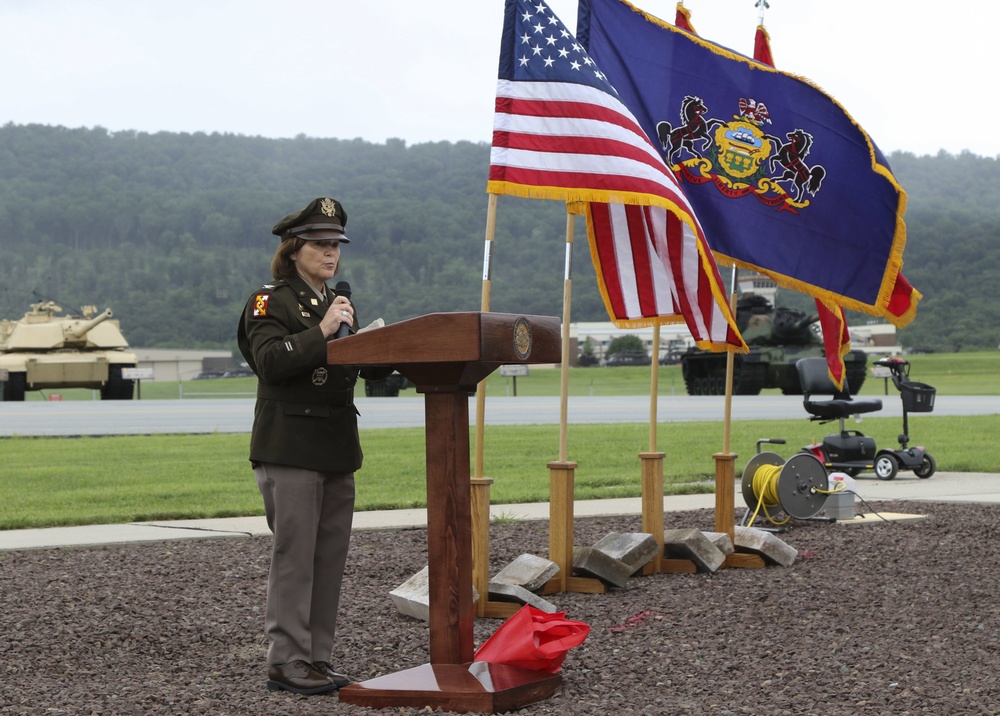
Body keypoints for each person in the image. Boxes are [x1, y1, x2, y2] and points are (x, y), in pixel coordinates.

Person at [237, 196, 387, 695]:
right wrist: (322, 334)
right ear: (294, 248)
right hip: (291, 446)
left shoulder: (339, 304)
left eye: (336, 245)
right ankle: (285, 659)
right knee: (295, 557)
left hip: (335, 445)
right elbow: (270, 363)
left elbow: (353, 367)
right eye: (321, 245)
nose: (331, 254)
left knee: (328, 558)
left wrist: (382, 350)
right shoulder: (270, 301)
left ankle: (316, 658)